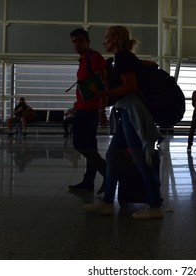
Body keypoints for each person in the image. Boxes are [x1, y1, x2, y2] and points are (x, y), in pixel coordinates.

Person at [84, 25, 163, 220]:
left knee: (140, 159)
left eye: (107, 37)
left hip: (132, 113)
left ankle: (155, 206)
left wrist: (104, 94)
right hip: (126, 111)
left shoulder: (123, 56)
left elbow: (130, 86)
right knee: (112, 155)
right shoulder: (124, 58)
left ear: (116, 39)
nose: (103, 42)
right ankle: (108, 202)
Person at [67, 28, 108, 193]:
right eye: (74, 42)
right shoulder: (84, 60)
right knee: (90, 146)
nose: (76, 44)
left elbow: (104, 84)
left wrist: (101, 110)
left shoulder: (95, 58)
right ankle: (88, 181)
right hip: (84, 108)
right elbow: (87, 88)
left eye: (80, 41)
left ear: (88, 42)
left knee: (79, 143)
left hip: (90, 110)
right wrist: (76, 106)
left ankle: (108, 172)